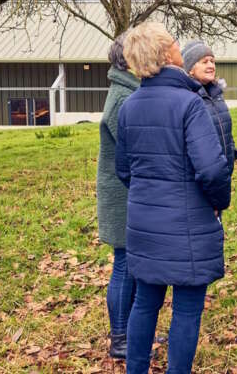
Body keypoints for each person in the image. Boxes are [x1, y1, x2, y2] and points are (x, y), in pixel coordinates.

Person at [116, 21, 231, 374]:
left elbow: (123, 169)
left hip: (144, 223)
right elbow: (211, 169)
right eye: (177, 43)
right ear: (168, 54)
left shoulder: (129, 106)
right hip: (188, 223)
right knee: (186, 308)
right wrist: (218, 201)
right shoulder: (191, 104)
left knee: (145, 303)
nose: (182, 48)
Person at [96, 32, 140, 359]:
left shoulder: (128, 91)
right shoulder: (122, 99)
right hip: (121, 197)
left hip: (128, 194)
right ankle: (121, 337)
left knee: (131, 265)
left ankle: (131, 331)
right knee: (124, 266)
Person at [181, 40, 237, 172]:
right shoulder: (187, 97)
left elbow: (224, 127)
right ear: (190, 69)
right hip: (201, 175)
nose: (211, 65)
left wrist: (231, 151)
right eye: (204, 61)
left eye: (212, 61)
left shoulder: (217, 94)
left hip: (223, 171)